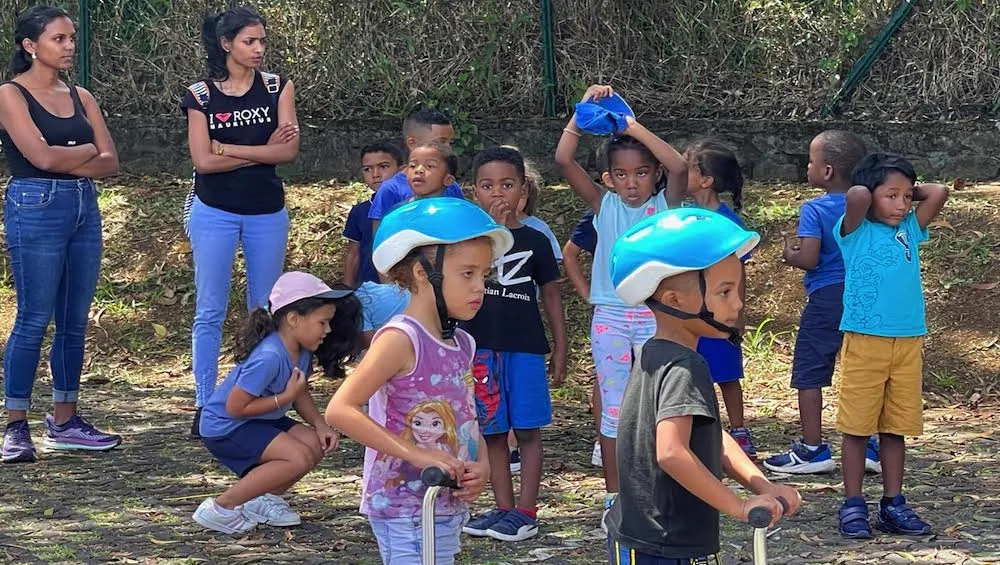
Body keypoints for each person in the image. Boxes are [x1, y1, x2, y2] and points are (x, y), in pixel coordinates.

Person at [605, 207, 801, 562]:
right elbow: (671, 452)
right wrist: (739, 507)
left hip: (656, 539)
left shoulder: (656, 352)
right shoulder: (683, 366)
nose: (737, 303)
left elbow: (710, 436)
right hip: (661, 547)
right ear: (675, 301)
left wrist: (762, 485)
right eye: (724, 292)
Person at [326, 198, 510, 564]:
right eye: (468, 274)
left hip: (444, 502)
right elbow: (340, 410)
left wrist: (483, 466)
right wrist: (416, 453)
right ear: (423, 273)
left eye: (484, 275)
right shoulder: (400, 339)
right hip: (402, 506)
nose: (480, 287)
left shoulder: (463, 343)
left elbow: (468, 417)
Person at [555, 84, 687, 528]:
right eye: (622, 174)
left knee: (658, 403)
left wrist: (629, 124)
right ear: (609, 177)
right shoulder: (602, 203)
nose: (632, 183)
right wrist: (583, 111)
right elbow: (563, 160)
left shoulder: (665, 205)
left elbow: (679, 165)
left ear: (655, 175)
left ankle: (658, 488)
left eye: (642, 173)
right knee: (613, 408)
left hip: (655, 315)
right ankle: (615, 496)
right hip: (611, 317)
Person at [0, 5, 121, 463]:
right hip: (35, 205)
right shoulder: (11, 94)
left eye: (72, 38)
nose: (70, 46)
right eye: (59, 39)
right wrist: (85, 149)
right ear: (31, 46)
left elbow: (110, 162)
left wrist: (69, 155)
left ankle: (65, 421)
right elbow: (41, 159)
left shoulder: (81, 96)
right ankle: (16, 427)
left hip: (83, 205)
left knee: (74, 319)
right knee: (33, 318)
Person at [180, 6, 300, 438]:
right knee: (209, 309)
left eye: (262, 40)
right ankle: (204, 402)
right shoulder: (200, 95)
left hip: (267, 212)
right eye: (250, 41)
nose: (259, 48)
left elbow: (287, 152)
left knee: (265, 309)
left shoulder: (277, 87)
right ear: (226, 44)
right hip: (214, 211)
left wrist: (228, 148)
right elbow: (202, 161)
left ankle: (258, 398)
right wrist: (261, 150)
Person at [194, 271, 362, 534]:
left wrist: (320, 425)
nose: (328, 330)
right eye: (322, 322)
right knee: (297, 458)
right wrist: (284, 398)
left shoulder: (301, 351)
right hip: (225, 427)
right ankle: (220, 508)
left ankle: (263, 500)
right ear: (293, 319)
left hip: (260, 418)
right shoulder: (269, 357)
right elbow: (235, 407)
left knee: (314, 444)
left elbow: (300, 391)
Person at [833, 153, 948, 538]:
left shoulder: (910, 230)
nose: (902, 205)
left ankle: (893, 503)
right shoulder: (853, 231)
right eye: (892, 196)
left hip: (908, 342)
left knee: (895, 428)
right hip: (866, 342)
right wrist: (874, 191)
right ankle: (853, 504)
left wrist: (901, 188)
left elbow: (939, 191)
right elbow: (855, 196)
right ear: (871, 195)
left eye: (906, 197)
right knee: (856, 428)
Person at [461, 146, 567, 542]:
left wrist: (561, 346)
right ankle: (503, 508)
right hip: (480, 350)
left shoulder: (536, 240)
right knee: (492, 431)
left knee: (527, 430)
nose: (497, 193)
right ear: (475, 191)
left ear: (523, 189)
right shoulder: (469, 240)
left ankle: (526, 511)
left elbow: (551, 295)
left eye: (507, 184)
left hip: (525, 348)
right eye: (487, 186)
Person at [765, 130, 875, 475]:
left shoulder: (815, 208)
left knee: (810, 370)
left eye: (811, 162)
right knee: (864, 370)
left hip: (827, 296)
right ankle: (869, 444)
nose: (807, 167)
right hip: (867, 295)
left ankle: (812, 448)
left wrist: (790, 254)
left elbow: (810, 258)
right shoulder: (872, 204)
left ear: (827, 171)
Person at [680, 140, 756, 459]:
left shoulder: (727, 223)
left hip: (719, 311)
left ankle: (739, 430)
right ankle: (697, 433)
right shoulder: (681, 218)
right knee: (691, 373)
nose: (678, 171)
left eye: (687, 167)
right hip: (690, 310)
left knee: (727, 373)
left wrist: (736, 312)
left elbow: (739, 271)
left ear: (706, 179)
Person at [368, 107, 465, 233]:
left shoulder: (451, 186)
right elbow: (380, 237)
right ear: (412, 143)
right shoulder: (390, 190)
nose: (447, 148)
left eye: (450, 142)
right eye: (440, 142)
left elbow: (462, 225)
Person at [562, 210, 603, 468]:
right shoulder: (600, 212)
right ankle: (603, 440)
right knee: (606, 375)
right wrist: (588, 293)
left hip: (652, 309)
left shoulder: (659, 206)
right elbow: (570, 252)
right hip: (611, 311)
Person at [344, 140, 405, 287]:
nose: (375, 174)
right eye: (367, 169)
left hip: (407, 286)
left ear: (402, 171)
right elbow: (353, 254)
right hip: (369, 288)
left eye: (383, 167)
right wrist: (346, 289)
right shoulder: (360, 211)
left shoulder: (410, 208)